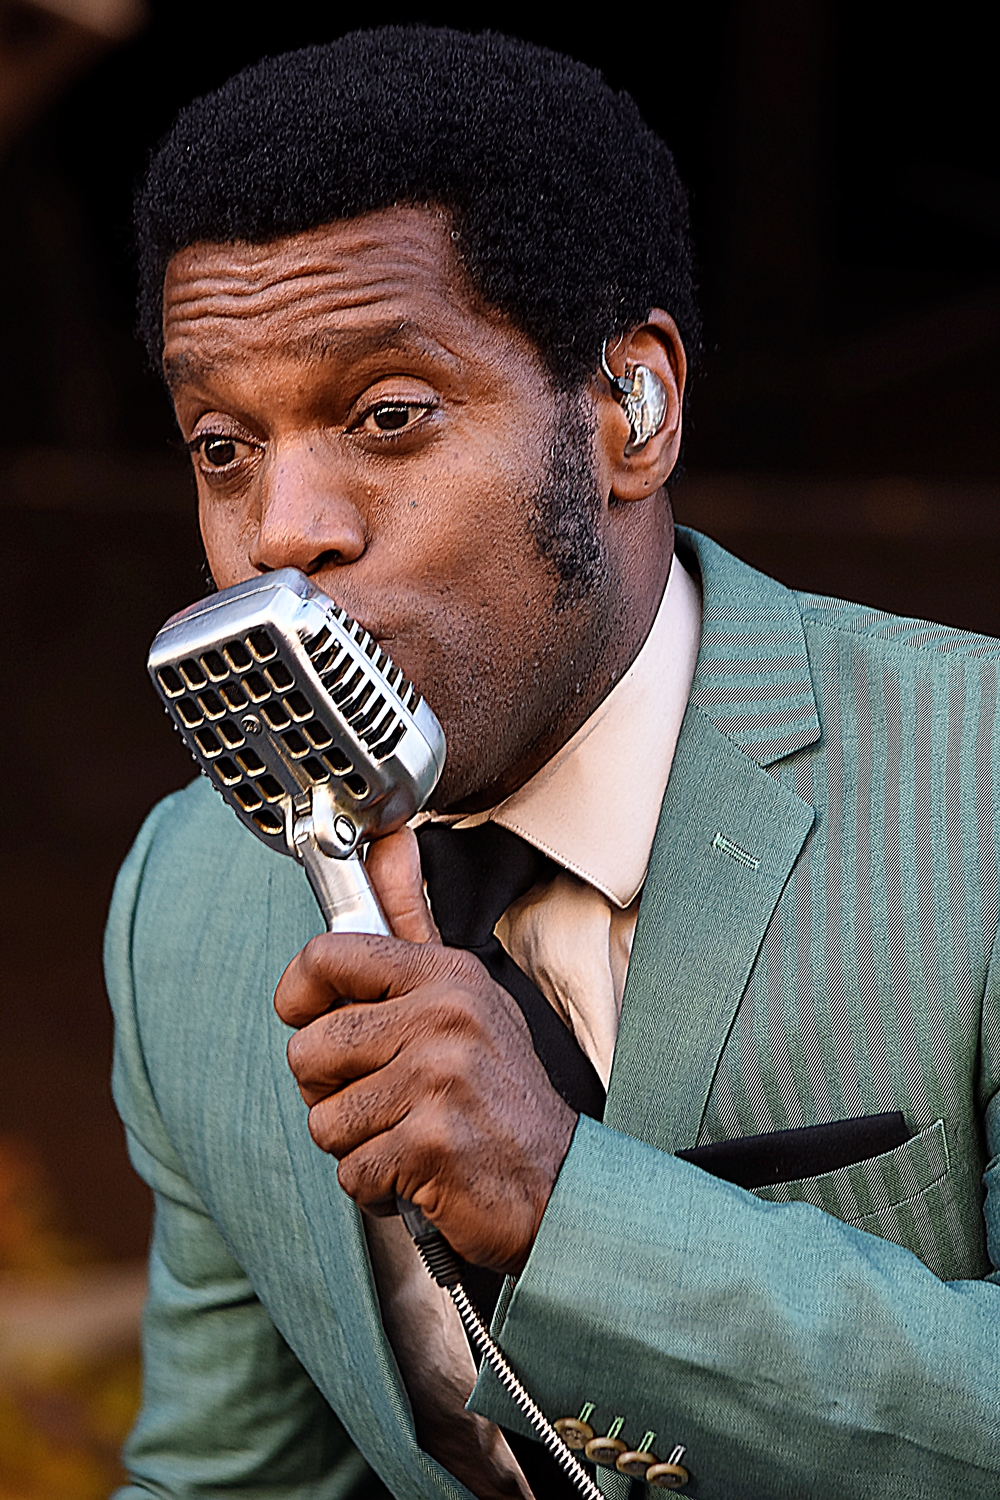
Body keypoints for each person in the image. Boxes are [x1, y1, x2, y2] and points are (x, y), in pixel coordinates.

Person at [106, 26, 1000, 1500]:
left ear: (631, 411)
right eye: (222, 446)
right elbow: (231, 1479)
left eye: (388, 416)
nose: (283, 530)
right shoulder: (188, 899)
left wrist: (567, 1208)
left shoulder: (974, 791)